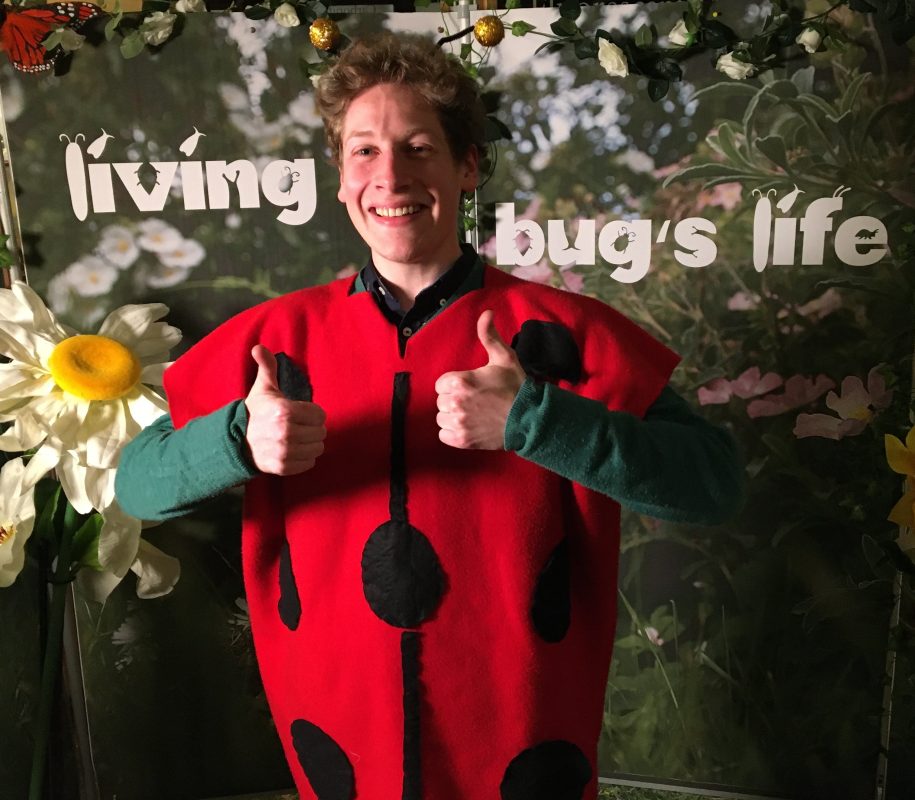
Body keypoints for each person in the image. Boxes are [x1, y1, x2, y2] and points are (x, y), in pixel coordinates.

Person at [116, 32, 742, 800]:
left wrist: (536, 421)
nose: (390, 175)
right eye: (364, 151)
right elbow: (136, 484)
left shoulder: (565, 332)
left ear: (467, 167)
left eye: (417, 147)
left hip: (522, 732)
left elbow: (712, 485)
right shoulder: (273, 341)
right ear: (341, 179)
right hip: (339, 731)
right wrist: (237, 440)